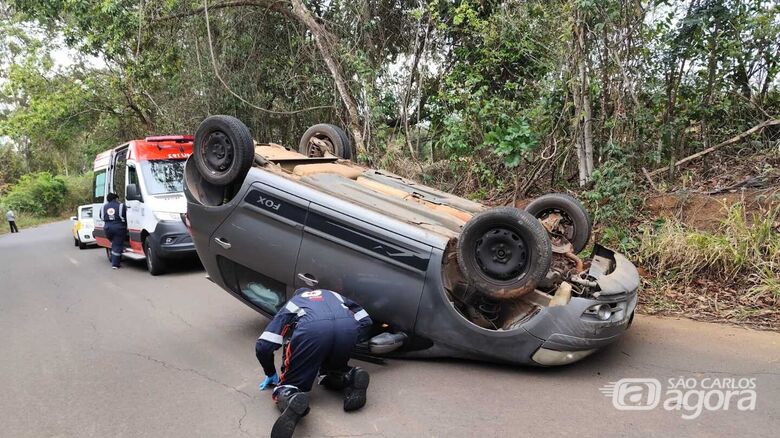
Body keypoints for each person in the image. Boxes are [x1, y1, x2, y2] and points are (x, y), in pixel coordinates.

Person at [255, 287, 372, 438]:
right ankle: (351, 375)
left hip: (313, 329)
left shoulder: (294, 303)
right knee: (330, 372)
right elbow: (366, 321)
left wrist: (270, 372)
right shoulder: (333, 295)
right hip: (347, 326)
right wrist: (351, 340)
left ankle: (291, 395)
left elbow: (264, 346)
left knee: (290, 383)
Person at [100, 193, 127, 269]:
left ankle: (117, 252)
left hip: (107, 228)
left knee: (114, 244)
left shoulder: (103, 207)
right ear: (115, 199)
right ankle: (115, 264)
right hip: (119, 228)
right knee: (117, 245)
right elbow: (126, 216)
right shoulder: (121, 206)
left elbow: (101, 217)